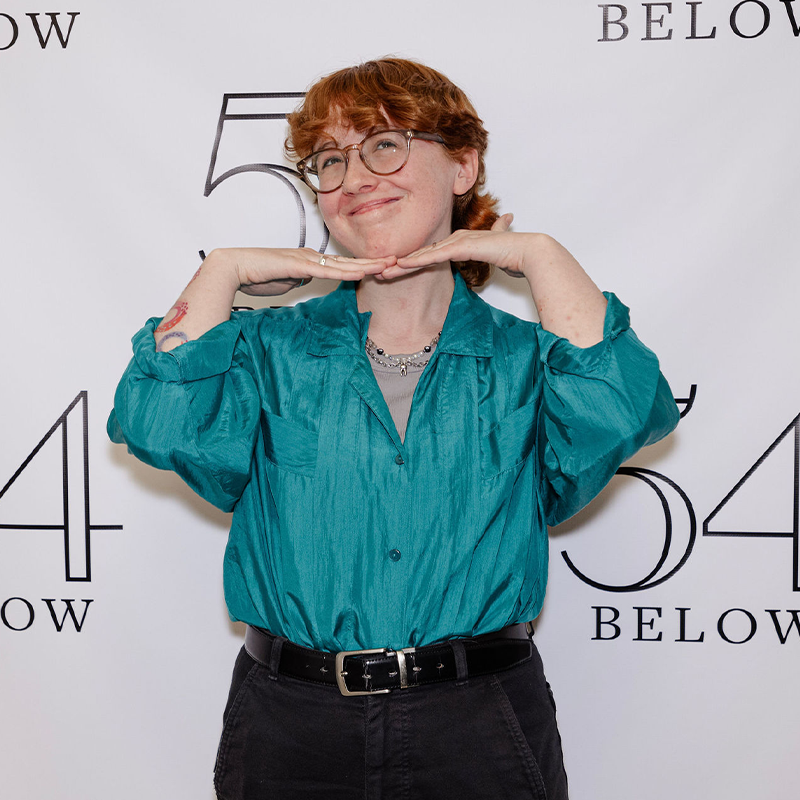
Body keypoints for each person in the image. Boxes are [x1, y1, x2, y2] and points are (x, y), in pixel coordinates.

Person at [108, 58, 679, 800]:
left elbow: (624, 412)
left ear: (464, 163)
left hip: (479, 725)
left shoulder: (527, 361)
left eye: (385, 144)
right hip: (290, 726)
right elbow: (157, 423)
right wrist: (221, 271)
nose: (353, 177)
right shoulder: (264, 349)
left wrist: (539, 255)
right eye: (330, 160)